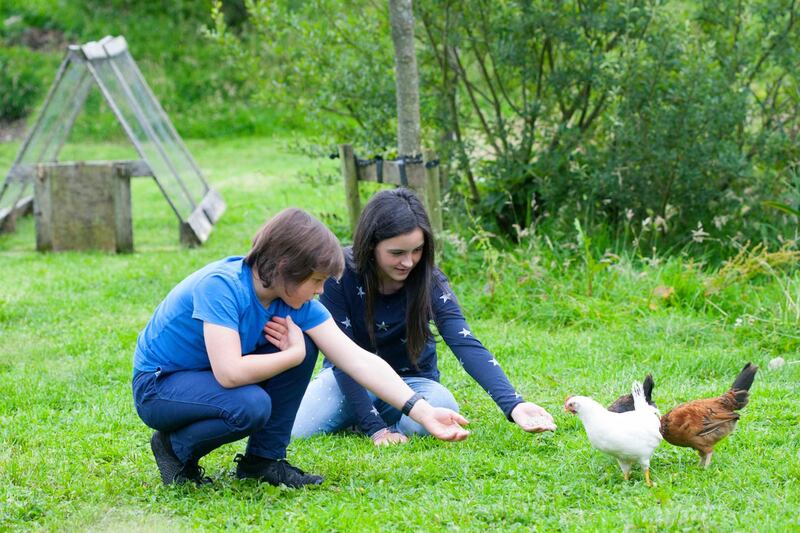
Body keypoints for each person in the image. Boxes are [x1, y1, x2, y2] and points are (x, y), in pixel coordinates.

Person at [132, 208, 468, 487]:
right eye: (317, 281)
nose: (321, 291)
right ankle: (173, 448)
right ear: (284, 269)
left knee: (305, 343)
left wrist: (423, 411)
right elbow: (230, 372)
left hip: (208, 383)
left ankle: (263, 461)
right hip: (160, 386)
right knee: (253, 402)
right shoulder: (221, 286)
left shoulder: (293, 299)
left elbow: (358, 360)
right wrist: (291, 356)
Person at [291, 189, 556, 446]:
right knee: (298, 430)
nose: (408, 262)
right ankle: (370, 418)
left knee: (443, 407)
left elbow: (464, 342)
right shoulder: (339, 275)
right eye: (397, 253)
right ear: (371, 245)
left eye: (416, 251)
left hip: (414, 385)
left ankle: (376, 420)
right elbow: (340, 356)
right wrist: (376, 430)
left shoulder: (431, 281)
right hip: (352, 378)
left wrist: (514, 404)